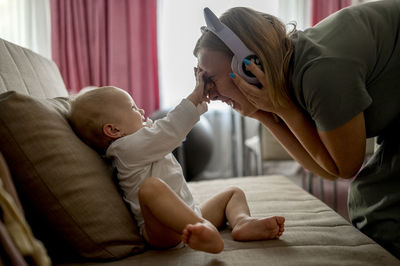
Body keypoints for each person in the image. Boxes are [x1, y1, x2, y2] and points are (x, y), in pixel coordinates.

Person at [194, 0, 400, 258]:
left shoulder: (320, 72)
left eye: (209, 79)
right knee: (371, 203)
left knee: (381, 215)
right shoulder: (295, 73)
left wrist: (282, 110)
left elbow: (347, 167)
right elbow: (328, 169)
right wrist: (265, 113)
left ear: (247, 64)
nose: (207, 94)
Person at [68, 72, 285, 253]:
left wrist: (200, 98)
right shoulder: (125, 150)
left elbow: (164, 129)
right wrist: (195, 95)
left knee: (233, 193)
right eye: (133, 108)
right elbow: (170, 130)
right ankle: (204, 228)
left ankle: (241, 222)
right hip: (160, 230)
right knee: (150, 188)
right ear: (113, 130)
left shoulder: (141, 141)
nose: (142, 111)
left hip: (187, 215)